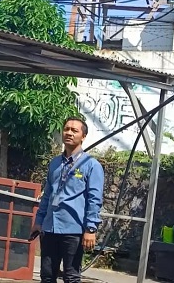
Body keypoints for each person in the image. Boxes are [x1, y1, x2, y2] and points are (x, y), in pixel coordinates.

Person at [32, 117, 104, 283]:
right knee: (47, 275)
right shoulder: (55, 163)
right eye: (66, 129)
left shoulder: (91, 165)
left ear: (83, 136)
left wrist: (90, 229)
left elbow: (95, 199)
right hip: (50, 228)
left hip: (74, 230)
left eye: (74, 130)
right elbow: (48, 195)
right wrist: (39, 220)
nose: (69, 133)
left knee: (71, 277)